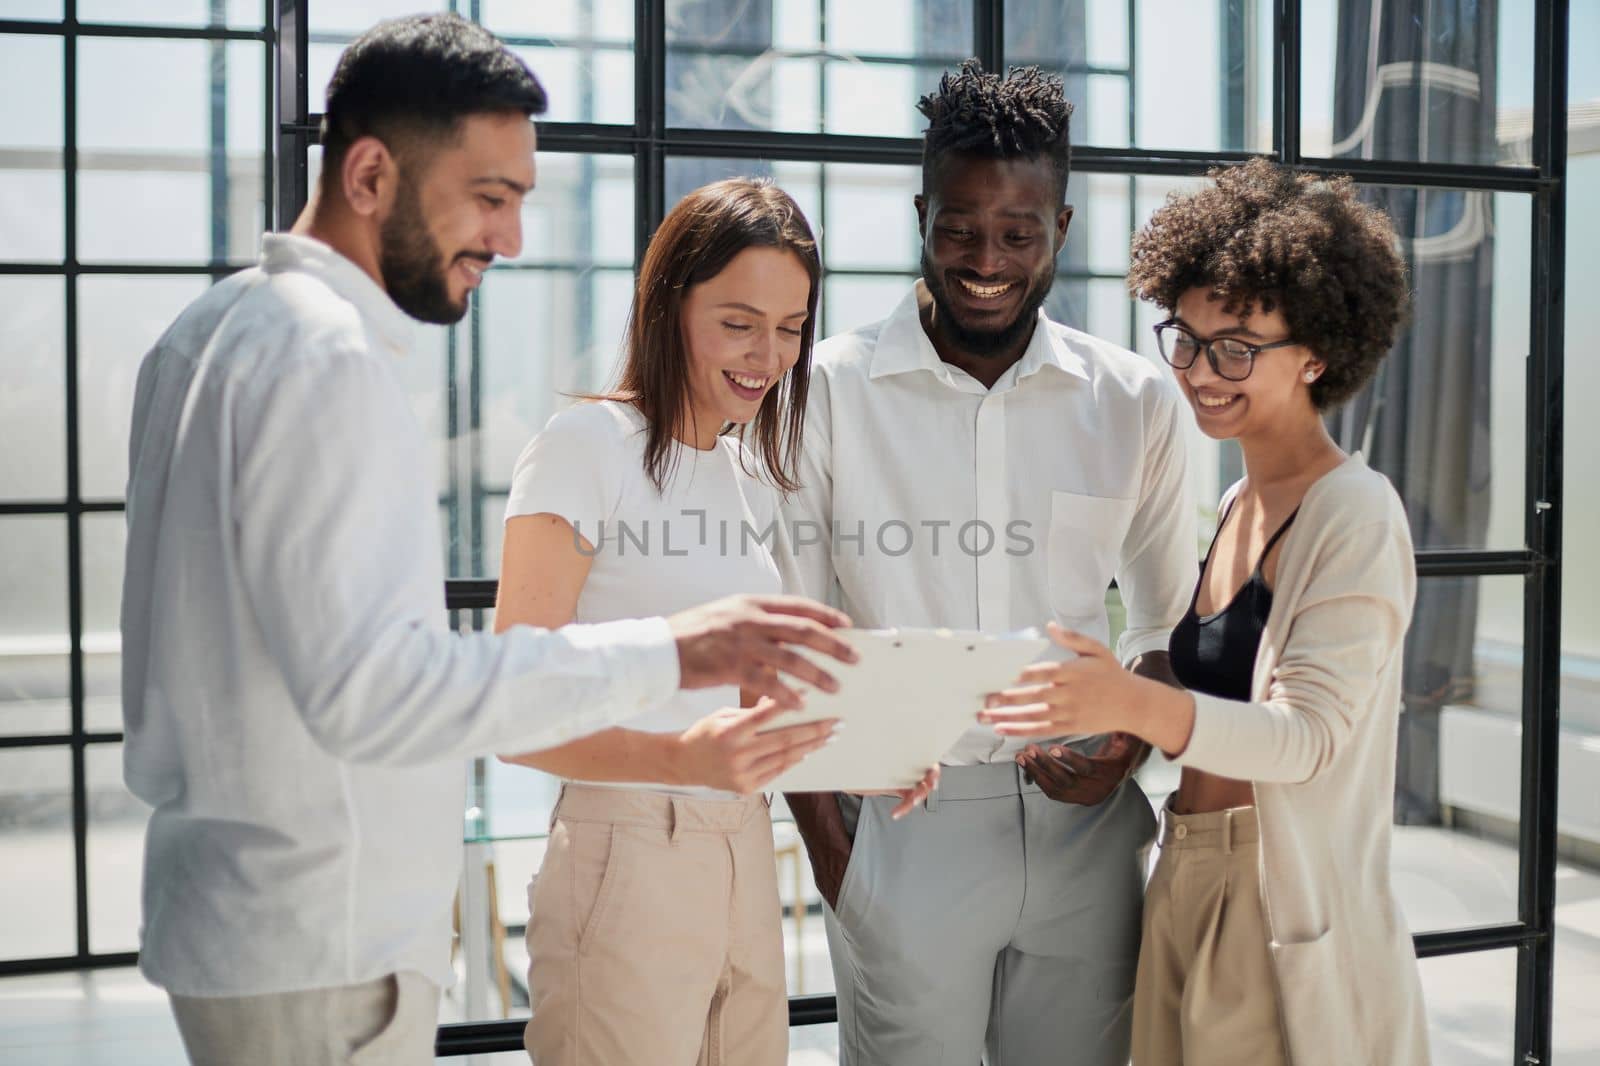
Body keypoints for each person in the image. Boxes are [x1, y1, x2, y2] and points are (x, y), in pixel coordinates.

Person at [119, 18, 857, 1066]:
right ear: (371, 172)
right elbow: (376, 686)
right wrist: (674, 652)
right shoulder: (326, 359)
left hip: (256, 915)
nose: (508, 240)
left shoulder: (210, 331)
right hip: (321, 927)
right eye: (489, 198)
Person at [783, 61, 1196, 1066]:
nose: (985, 260)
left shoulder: (1133, 400)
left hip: (1084, 835)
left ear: (1060, 228)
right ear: (921, 213)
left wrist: (1124, 752)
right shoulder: (826, 392)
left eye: (1017, 233)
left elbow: (1166, 622)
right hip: (898, 821)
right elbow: (789, 631)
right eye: (959, 228)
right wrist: (839, 859)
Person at [981, 158, 1431, 1065]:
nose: (1199, 371)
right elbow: (1203, 691)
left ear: (1318, 349)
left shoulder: (1355, 511)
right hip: (1185, 873)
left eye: (1236, 346)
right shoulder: (1236, 502)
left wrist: (1128, 705)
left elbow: (1304, 739)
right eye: (1183, 339)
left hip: (1274, 898)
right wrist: (1115, 731)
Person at [494, 177, 934, 1065]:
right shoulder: (585, 449)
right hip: (625, 854)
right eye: (738, 322)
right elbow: (512, 708)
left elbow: (731, 710)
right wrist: (680, 761)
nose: (767, 355)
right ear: (668, 306)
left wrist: (864, 751)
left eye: (790, 326)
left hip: (742, 851)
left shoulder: (742, 477)